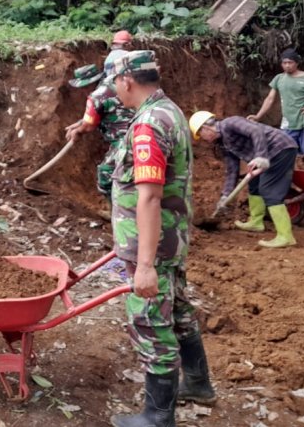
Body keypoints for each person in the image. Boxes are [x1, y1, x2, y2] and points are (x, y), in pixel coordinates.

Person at [108, 50, 215, 427]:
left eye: (115, 84)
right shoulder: (170, 111)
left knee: (151, 320)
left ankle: (157, 417)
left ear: (127, 81)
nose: (116, 90)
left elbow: (149, 196)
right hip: (170, 238)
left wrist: (145, 265)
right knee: (180, 311)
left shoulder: (149, 125)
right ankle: (199, 383)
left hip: (155, 246)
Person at [189, 111, 299, 248]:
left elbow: (256, 131)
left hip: (280, 148)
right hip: (266, 154)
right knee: (254, 184)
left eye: (200, 135)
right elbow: (232, 170)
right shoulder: (223, 143)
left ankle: (286, 236)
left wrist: (261, 156)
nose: (202, 139)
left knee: (269, 190)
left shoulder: (231, 123)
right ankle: (256, 222)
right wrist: (225, 196)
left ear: (205, 127)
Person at [64, 62, 135, 205]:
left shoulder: (97, 96)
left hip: (125, 141)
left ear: (89, 83)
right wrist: (79, 123)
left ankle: (118, 211)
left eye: (83, 87)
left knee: (105, 176)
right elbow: (100, 113)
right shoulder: (112, 83)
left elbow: (89, 125)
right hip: (139, 132)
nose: (82, 91)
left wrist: (78, 131)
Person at [248, 48, 304, 159]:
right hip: (288, 122)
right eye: (284, 63)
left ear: (297, 63)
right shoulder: (279, 79)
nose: (287, 65)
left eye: (290, 62)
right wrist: (258, 116)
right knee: (285, 154)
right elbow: (270, 99)